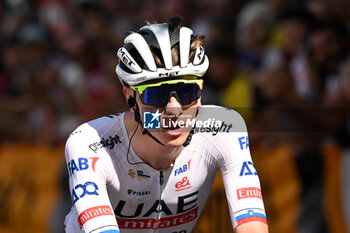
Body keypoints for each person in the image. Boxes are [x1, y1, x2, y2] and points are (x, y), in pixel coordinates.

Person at [64, 16, 268, 233]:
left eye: (186, 91)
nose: (174, 109)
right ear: (130, 98)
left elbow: (252, 225)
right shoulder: (91, 141)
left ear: (200, 92)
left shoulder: (224, 129)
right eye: (156, 95)